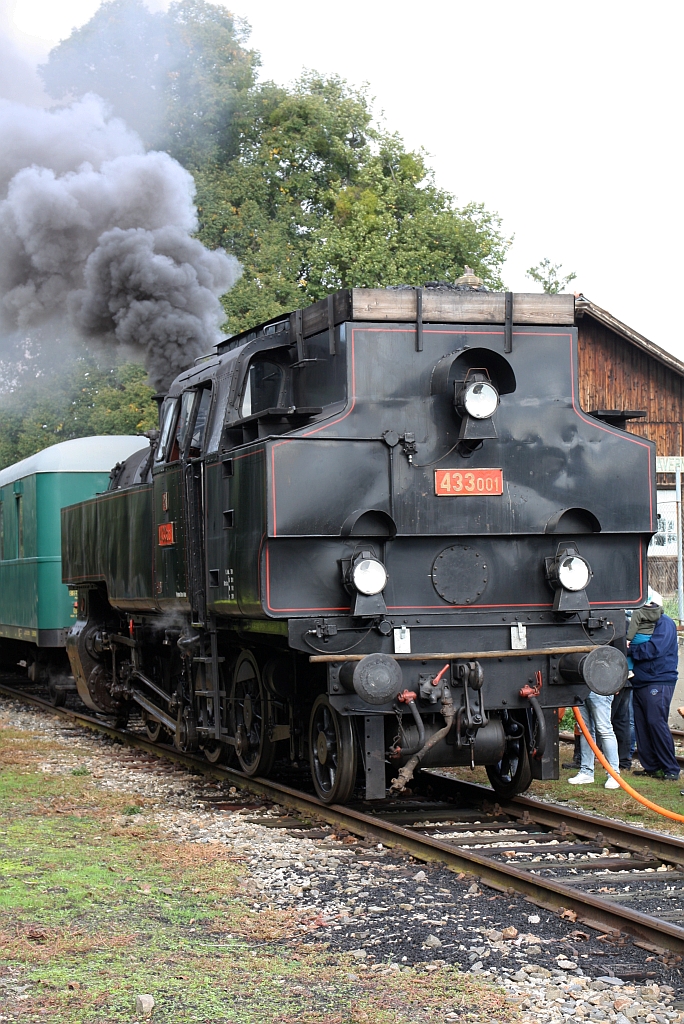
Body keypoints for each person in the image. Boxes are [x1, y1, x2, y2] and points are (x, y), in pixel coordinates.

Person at [629, 591, 680, 781]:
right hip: (642, 680)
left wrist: (631, 649)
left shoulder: (665, 623)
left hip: (658, 679)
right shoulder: (643, 624)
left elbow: (654, 649)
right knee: (642, 724)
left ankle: (670, 769)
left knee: (655, 722)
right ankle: (651, 766)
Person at [568, 688, 621, 789]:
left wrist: (616, 683)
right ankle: (586, 772)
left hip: (600, 686)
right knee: (585, 730)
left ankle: (614, 775)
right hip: (580, 687)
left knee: (604, 729)